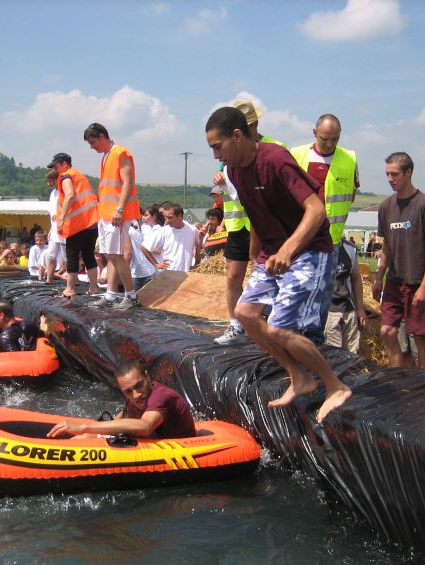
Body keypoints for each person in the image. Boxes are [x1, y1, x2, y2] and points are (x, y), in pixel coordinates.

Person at [205, 106, 352, 422]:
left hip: (309, 249)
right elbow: (257, 212)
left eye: (218, 146)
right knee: (245, 313)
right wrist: (256, 253)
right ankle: (299, 377)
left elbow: (316, 210)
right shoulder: (235, 172)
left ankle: (335, 386)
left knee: (281, 327)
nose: (216, 155)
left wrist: (287, 250)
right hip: (273, 252)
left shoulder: (274, 158)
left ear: (237, 135)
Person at [212, 99, 285, 346]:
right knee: (233, 277)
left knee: (269, 276)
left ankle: (270, 327)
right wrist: (221, 179)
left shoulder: (275, 148)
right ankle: (237, 326)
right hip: (238, 224)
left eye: (250, 125)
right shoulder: (229, 151)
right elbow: (226, 187)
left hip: (266, 226)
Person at [372, 152, 425, 369]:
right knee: (387, 330)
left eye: (394, 174)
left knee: (419, 336)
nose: (390, 179)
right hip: (394, 280)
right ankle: (396, 375)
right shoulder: (386, 207)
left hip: (417, 281)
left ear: (408, 172)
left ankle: (424, 381)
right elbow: (386, 245)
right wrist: (379, 278)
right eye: (387, 174)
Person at [47, 361, 196, 439]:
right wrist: (94, 432)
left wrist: (84, 428)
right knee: (85, 437)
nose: (136, 395)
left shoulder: (160, 396)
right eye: (128, 391)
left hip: (181, 446)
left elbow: (145, 427)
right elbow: (122, 419)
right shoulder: (134, 399)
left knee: (86, 435)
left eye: (139, 385)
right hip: (155, 440)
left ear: (147, 376)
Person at [83, 123, 141, 310]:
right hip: (107, 214)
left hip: (117, 214)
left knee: (115, 255)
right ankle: (110, 294)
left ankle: (131, 296)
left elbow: (128, 182)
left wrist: (120, 209)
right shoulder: (107, 156)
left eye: (93, 143)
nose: (92, 147)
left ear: (102, 136)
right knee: (110, 254)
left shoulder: (120, 153)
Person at [290, 114, 359, 249]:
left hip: (331, 239)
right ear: (314, 133)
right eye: (324, 139)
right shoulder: (296, 154)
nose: (329, 144)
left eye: (335, 139)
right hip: (298, 235)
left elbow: (351, 195)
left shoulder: (350, 159)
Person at [48, 152, 99, 297]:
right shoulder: (80, 175)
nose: (55, 170)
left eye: (56, 166)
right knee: (88, 255)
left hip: (78, 224)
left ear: (64, 164)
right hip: (92, 221)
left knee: (72, 255)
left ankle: (70, 289)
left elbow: (70, 195)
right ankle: (94, 287)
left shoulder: (66, 176)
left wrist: (61, 218)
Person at [324, 237, 367, 353]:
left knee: (352, 355)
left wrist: (360, 309)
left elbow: (356, 278)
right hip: (329, 312)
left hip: (348, 310)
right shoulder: (319, 247)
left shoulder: (350, 248)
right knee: (334, 356)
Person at [145, 203, 198, 272]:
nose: (167, 220)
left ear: (180, 216)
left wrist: (196, 264)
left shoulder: (193, 230)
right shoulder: (163, 231)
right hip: (168, 273)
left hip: (187, 274)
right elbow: (144, 247)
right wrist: (156, 264)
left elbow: (198, 248)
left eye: (170, 217)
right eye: (166, 217)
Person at [43, 168, 66, 285]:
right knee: (51, 254)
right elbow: (52, 212)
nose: (48, 184)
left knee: (67, 257)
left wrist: (60, 216)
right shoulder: (53, 193)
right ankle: (49, 280)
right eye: (47, 181)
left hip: (65, 227)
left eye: (50, 181)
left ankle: (71, 281)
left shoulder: (64, 191)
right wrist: (51, 229)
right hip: (55, 228)